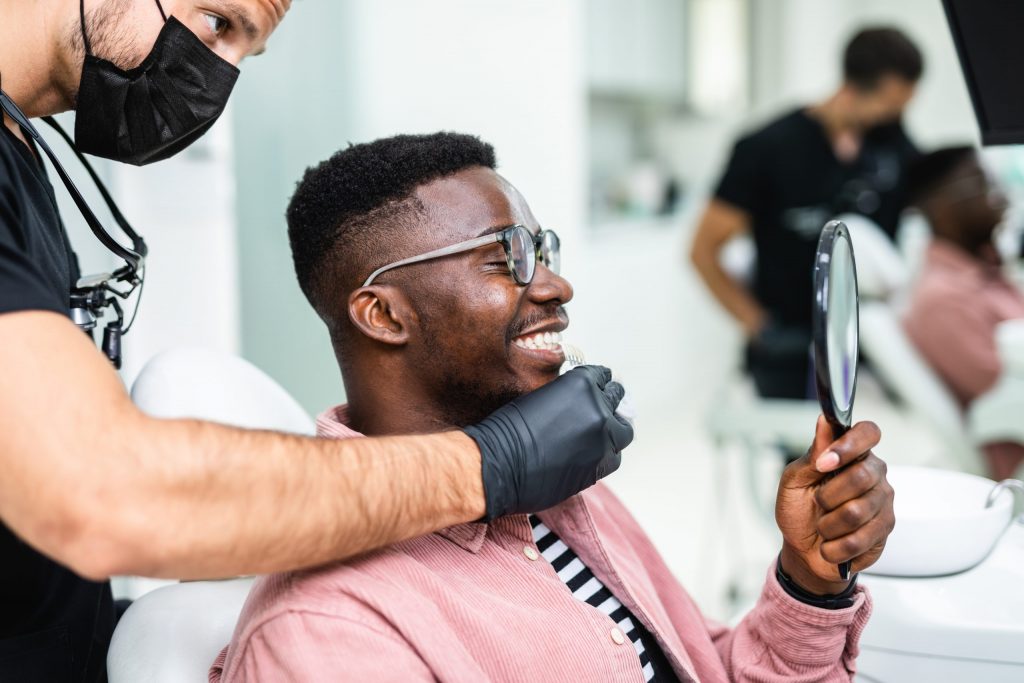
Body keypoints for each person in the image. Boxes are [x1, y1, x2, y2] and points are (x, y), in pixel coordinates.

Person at [0, 2, 631, 680]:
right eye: (220, 22)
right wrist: (489, 466)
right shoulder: (322, 630)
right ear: (380, 313)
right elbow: (98, 491)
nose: (219, 74)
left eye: (247, 50)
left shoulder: (22, 150)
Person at [211, 132, 895, 682]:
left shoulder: (550, 487)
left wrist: (807, 583)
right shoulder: (327, 633)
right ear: (385, 314)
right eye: (506, 256)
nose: (557, 285)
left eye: (542, 250)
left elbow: (697, 664)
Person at [690, 27, 923, 399]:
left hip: (869, 343)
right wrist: (759, 326)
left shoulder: (892, 143)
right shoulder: (766, 149)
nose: (897, 116)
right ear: (852, 89)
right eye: (891, 106)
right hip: (790, 346)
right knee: (805, 454)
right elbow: (702, 251)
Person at [903, 146, 1024, 480]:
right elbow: (1007, 392)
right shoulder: (942, 300)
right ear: (940, 206)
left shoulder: (981, 272)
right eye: (981, 184)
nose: (998, 196)